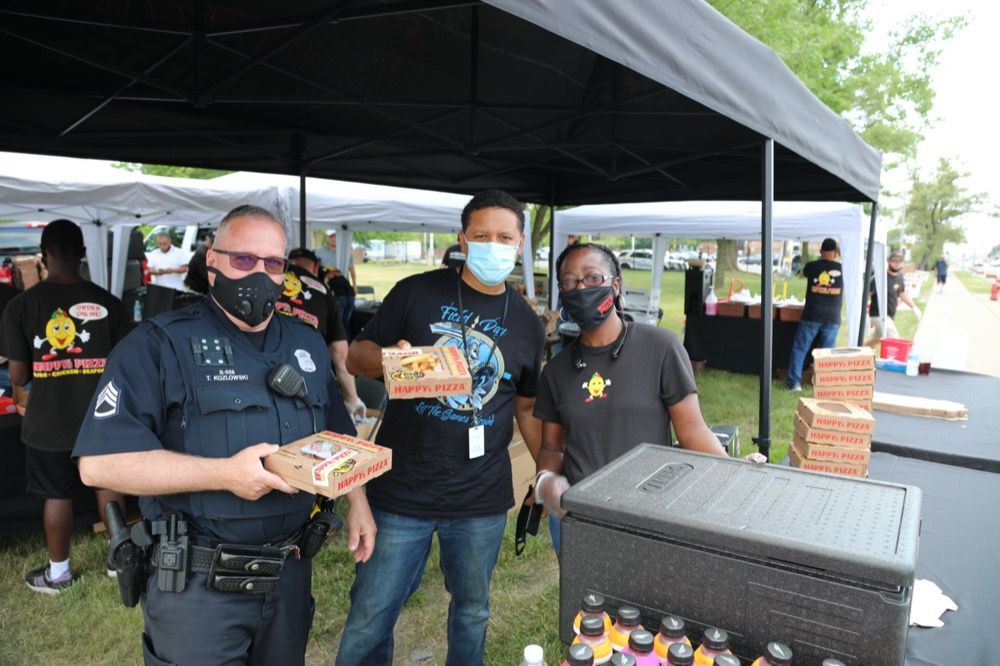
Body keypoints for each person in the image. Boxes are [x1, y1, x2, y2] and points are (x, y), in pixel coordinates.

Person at [72, 206, 376, 665]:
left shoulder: (306, 342)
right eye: (243, 260)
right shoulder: (158, 344)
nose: (259, 273)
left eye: (273, 264)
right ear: (211, 261)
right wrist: (224, 475)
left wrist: (359, 504)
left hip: (290, 573)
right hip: (198, 587)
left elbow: (337, 435)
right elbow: (99, 463)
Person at [337, 189, 544, 666]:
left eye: (504, 237)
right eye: (481, 235)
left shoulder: (528, 325)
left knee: (472, 612)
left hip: (480, 499)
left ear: (519, 244)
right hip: (401, 491)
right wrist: (394, 360)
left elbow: (527, 408)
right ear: (463, 240)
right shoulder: (417, 291)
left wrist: (547, 471)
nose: (493, 245)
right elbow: (355, 355)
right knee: (371, 613)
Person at [532, 242, 726, 553]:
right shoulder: (555, 371)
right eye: (569, 281)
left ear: (616, 285)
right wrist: (545, 483)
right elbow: (551, 447)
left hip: (648, 515)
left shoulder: (660, 347)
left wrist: (733, 476)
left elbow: (692, 432)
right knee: (583, 602)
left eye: (593, 278)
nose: (581, 287)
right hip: (579, 518)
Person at [1, 219, 129, 593]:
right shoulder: (108, 302)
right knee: (109, 483)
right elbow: (126, 364)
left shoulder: (20, 306)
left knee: (56, 494)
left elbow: (19, 374)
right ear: (83, 255)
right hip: (103, 416)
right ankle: (118, 562)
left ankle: (59, 574)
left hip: (48, 419)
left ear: (45, 255)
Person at [280, 247, 366, 421]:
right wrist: (352, 399)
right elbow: (340, 353)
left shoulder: (272, 281)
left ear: (288, 263)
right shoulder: (323, 292)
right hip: (307, 381)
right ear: (315, 267)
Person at [785, 238, 843, 392]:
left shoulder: (812, 266)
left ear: (821, 251)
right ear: (836, 252)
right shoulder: (843, 270)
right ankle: (823, 385)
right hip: (832, 317)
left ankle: (794, 384)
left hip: (811, 315)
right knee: (826, 354)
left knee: (800, 349)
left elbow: (803, 272)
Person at [866, 251, 922, 346]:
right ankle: (897, 360)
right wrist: (864, 316)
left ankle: (862, 354)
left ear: (903, 263)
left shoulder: (900, 277)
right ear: (888, 261)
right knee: (895, 341)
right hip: (879, 315)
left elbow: (902, 292)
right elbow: (866, 295)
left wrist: (914, 307)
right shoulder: (879, 277)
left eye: (899, 262)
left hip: (889, 316)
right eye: (894, 261)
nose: (896, 264)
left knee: (876, 339)